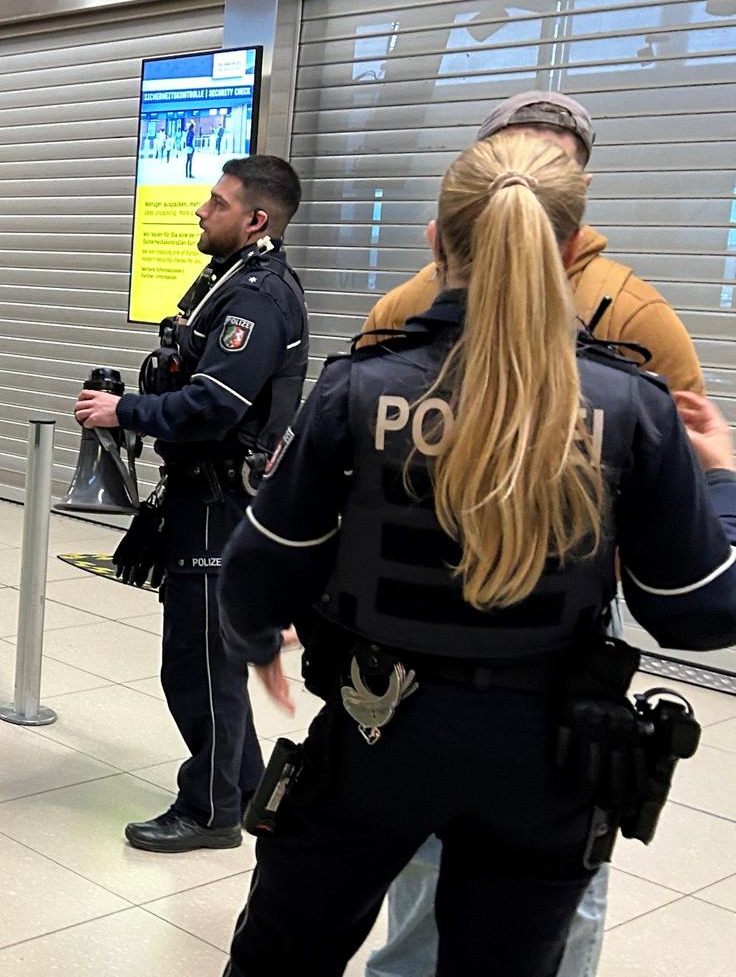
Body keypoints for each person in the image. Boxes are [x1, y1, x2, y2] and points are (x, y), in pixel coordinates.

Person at [217, 132, 736, 977]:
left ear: (436, 240)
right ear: (572, 247)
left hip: (375, 732)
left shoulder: (361, 388)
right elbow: (701, 610)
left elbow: (260, 566)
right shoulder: (632, 406)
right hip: (546, 758)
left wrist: (254, 639)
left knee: (282, 957)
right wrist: (722, 480)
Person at [361, 91, 707, 977]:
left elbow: (674, 477)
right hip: (418, 608)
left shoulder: (633, 314)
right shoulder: (407, 301)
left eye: (554, 161)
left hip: (563, 626)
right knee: (422, 858)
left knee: (558, 873)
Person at [74, 155, 309, 854]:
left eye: (217, 202)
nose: (201, 211)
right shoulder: (229, 279)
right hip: (198, 494)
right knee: (209, 660)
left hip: (218, 501)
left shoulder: (259, 299)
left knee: (197, 665)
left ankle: (209, 812)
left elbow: (214, 404)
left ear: (256, 219)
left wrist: (125, 411)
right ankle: (240, 789)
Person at [362, 90, 701, 393]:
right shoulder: (403, 307)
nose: (525, 186)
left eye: (551, 171)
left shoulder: (634, 317)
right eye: (507, 163)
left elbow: (681, 432)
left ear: (581, 190)